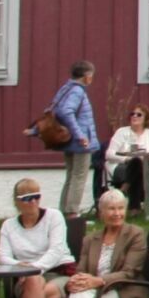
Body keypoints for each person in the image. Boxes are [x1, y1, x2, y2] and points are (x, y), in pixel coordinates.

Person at [0, 177, 74, 298]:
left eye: (37, 196)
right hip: (25, 278)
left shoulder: (54, 216)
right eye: (27, 198)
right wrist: (21, 267)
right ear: (17, 202)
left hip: (57, 273)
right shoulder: (8, 226)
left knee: (32, 293)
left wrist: (33, 268)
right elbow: (3, 257)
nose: (33, 202)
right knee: (33, 282)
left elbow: (56, 250)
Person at [49, 61, 101, 214]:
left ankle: (64, 211)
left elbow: (54, 109)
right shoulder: (78, 91)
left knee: (71, 175)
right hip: (80, 142)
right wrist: (80, 135)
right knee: (79, 176)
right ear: (86, 76)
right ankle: (72, 212)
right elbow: (66, 111)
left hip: (69, 140)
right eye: (91, 76)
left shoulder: (66, 88)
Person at [104, 104, 149, 210]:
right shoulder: (122, 132)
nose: (134, 116)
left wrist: (147, 158)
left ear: (146, 118)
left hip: (145, 167)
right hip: (122, 167)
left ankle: (125, 189)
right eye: (132, 114)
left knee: (138, 165)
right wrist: (127, 159)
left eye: (139, 114)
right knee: (136, 164)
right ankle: (134, 206)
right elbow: (108, 154)